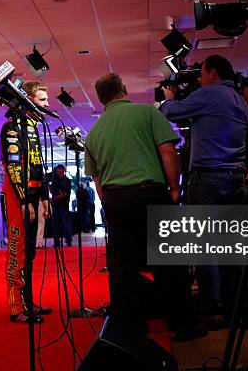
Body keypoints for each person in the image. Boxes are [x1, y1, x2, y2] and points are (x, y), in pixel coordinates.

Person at [85, 73, 204, 340]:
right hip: (151, 192)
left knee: (122, 269)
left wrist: (111, 203)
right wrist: (174, 189)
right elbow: (168, 151)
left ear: (101, 99)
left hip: (116, 199)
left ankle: (129, 329)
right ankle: (182, 325)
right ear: (123, 89)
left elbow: (97, 180)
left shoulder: (94, 132)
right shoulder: (147, 113)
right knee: (170, 264)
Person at [159, 54, 248, 323]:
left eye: (202, 73)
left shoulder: (211, 94)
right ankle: (235, 305)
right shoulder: (241, 101)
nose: (199, 78)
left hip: (208, 178)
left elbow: (170, 113)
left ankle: (211, 306)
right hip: (235, 178)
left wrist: (168, 96)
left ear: (212, 72)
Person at [0, 81, 52, 323]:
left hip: (31, 196)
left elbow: (38, 166)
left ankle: (29, 301)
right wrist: (24, 200)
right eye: (42, 100)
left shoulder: (34, 128)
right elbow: (13, 166)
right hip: (15, 197)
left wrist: (44, 198)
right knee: (18, 253)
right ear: (28, 100)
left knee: (30, 254)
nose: (47, 104)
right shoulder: (11, 127)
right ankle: (16, 308)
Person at [50, 164, 72, 247]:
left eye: (61, 170)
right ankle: (56, 242)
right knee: (56, 225)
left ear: (63, 171)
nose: (59, 172)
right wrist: (58, 194)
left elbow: (65, 193)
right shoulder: (54, 181)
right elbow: (52, 190)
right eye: (57, 170)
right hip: (55, 206)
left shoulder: (67, 180)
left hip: (64, 205)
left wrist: (55, 197)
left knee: (66, 224)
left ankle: (68, 240)